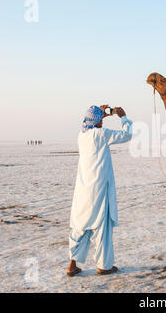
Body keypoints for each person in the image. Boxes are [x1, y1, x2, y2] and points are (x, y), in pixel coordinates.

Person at [67, 105, 133, 277]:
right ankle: (104, 266)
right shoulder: (101, 134)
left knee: (80, 226)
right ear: (97, 121)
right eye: (101, 119)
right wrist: (123, 118)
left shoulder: (81, 136)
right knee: (101, 226)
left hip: (83, 189)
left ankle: (72, 264)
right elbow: (126, 135)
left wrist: (100, 115)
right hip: (99, 189)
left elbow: (93, 124)